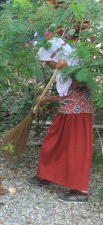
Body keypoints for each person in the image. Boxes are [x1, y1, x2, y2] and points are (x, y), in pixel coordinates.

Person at [27, 38, 93, 203]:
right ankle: (46, 175)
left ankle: (80, 191)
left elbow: (84, 81)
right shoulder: (63, 70)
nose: (48, 65)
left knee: (76, 151)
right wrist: (44, 99)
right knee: (52, 143)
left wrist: (70, 68)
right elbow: (65, 94)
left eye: (48, 62)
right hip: (66, 114)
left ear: (56, 57)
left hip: (79, 117)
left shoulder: (77, 64)